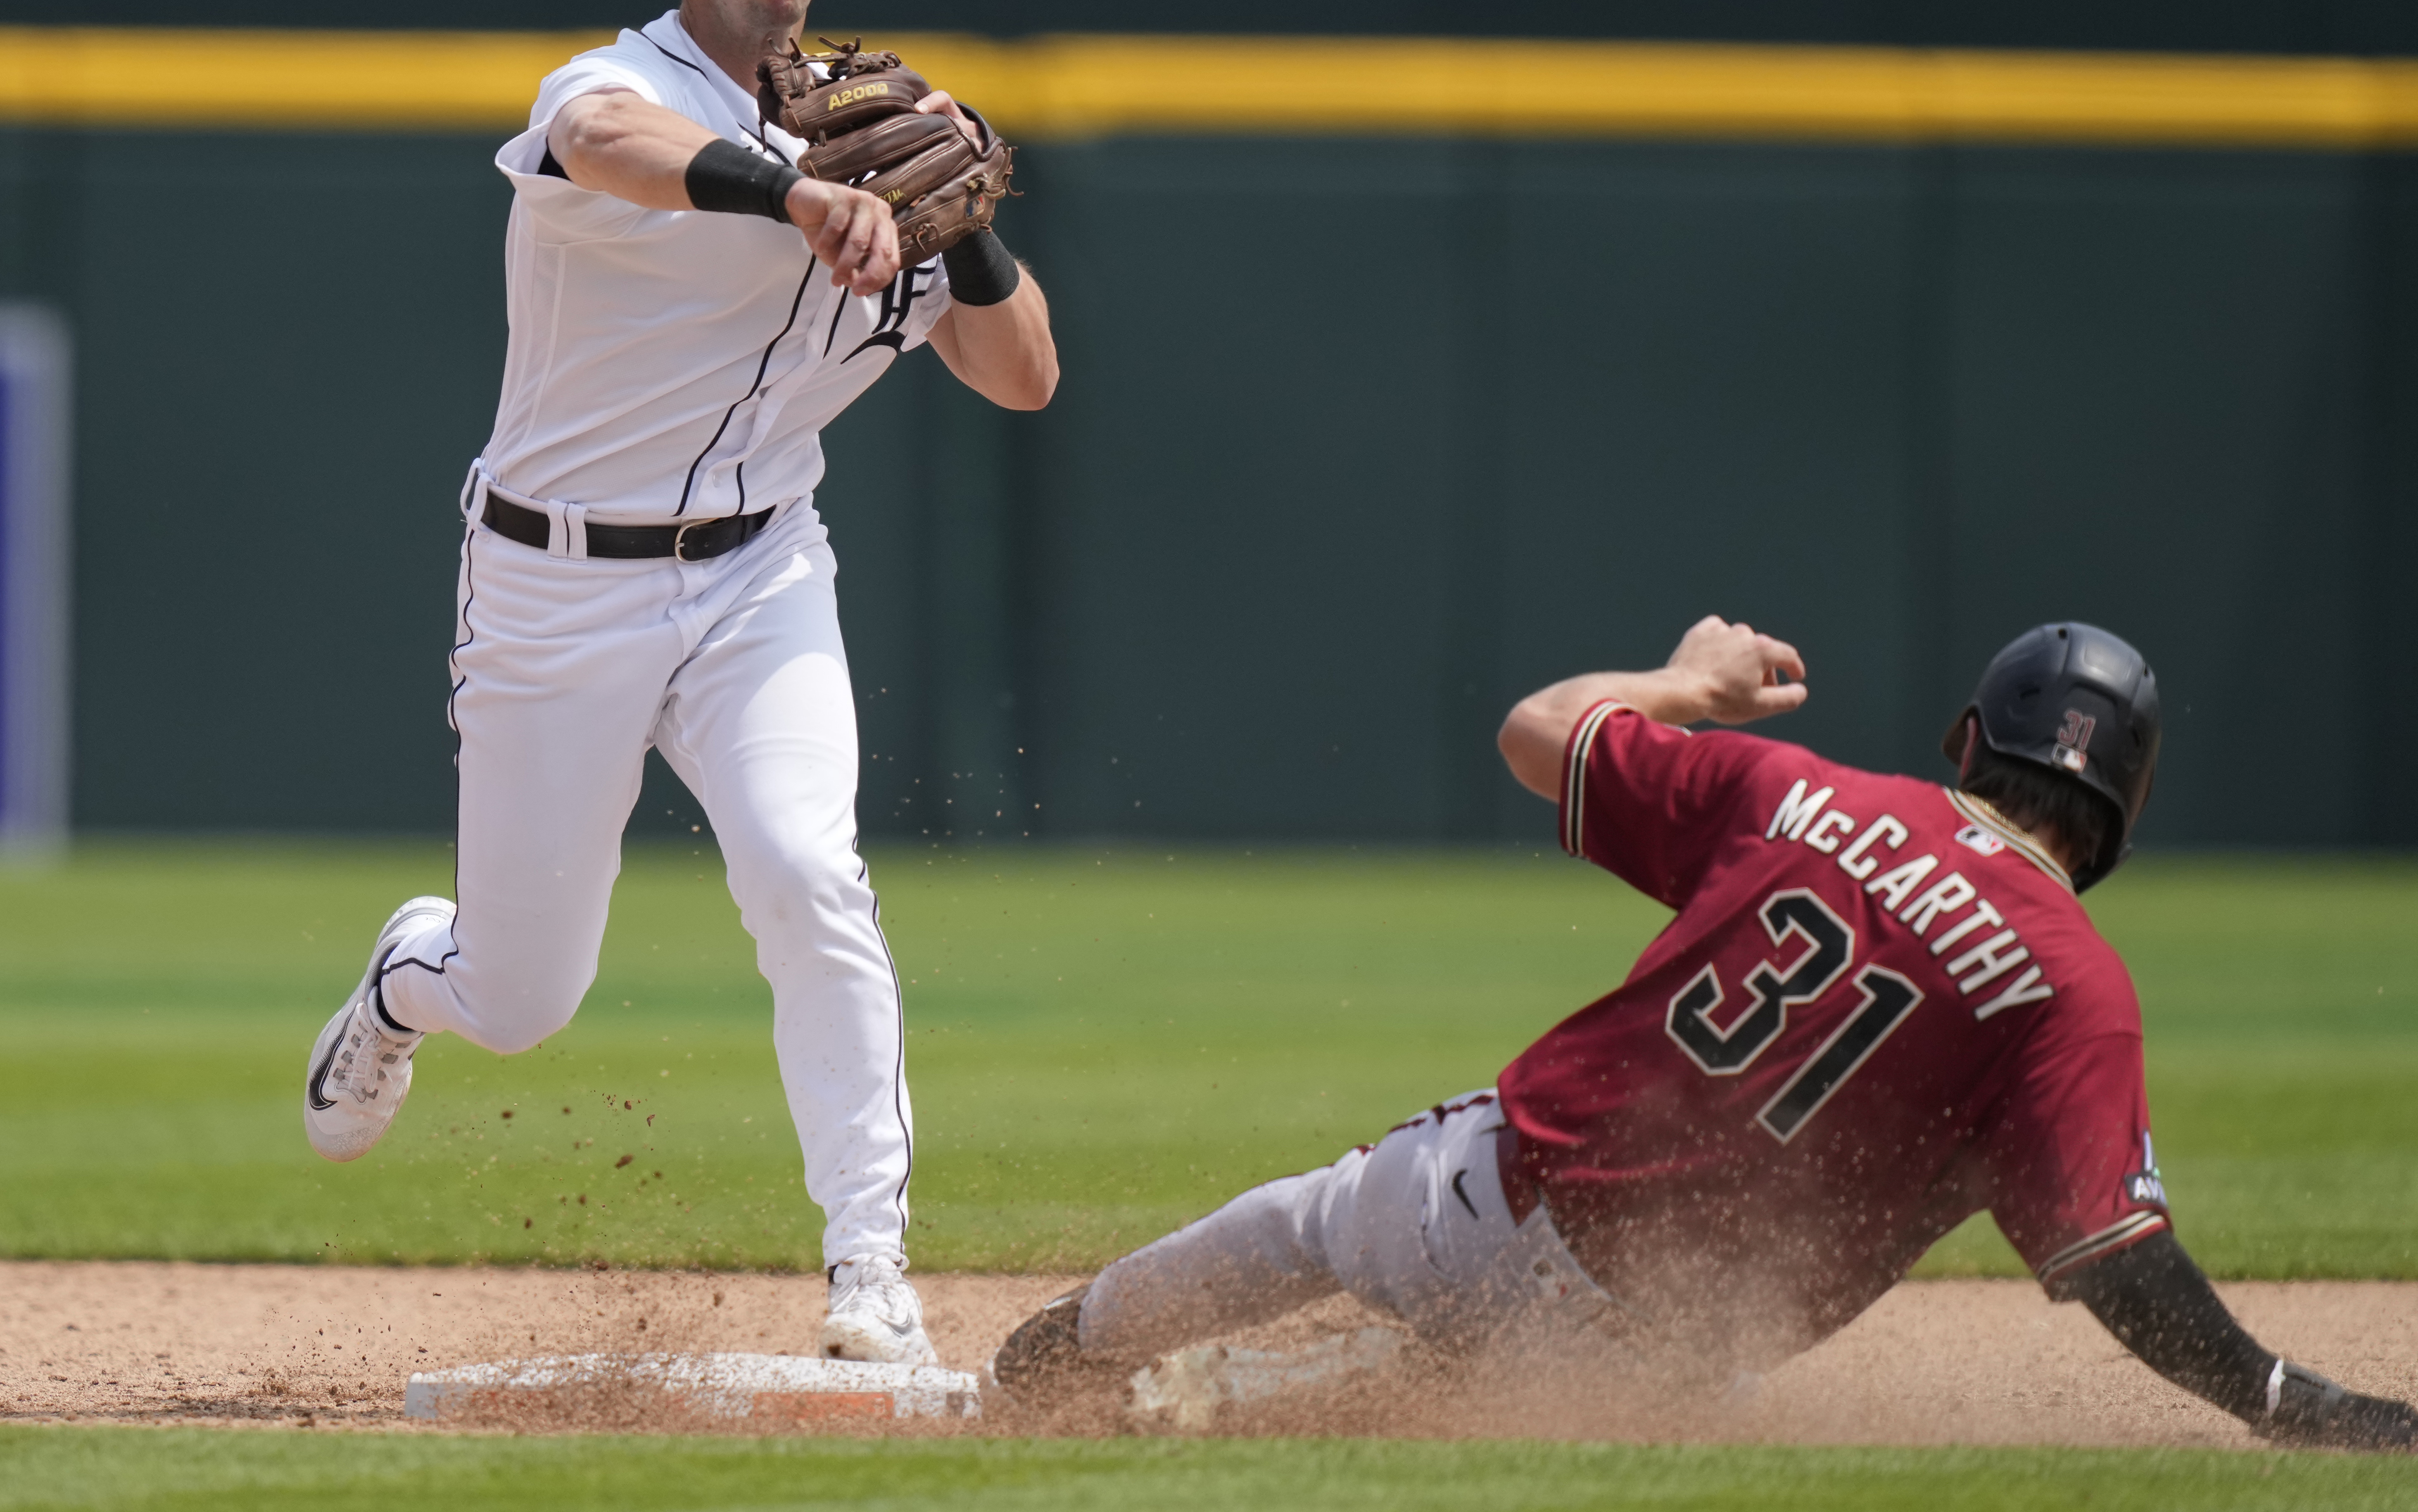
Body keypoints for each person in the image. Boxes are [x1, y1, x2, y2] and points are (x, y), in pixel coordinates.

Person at [302, 0, 1058, 1367]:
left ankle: (872, 1270)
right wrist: (793, 190)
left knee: (807, 869)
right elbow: (608, 146)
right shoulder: (617, 84)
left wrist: (966, 216)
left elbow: (1023, 375)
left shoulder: (881, 126)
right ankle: (400, 985)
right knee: (519, 995)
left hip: (759, 580)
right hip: (551, 585)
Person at [989, 617, 2417, 1448]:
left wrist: (1687, 682)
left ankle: (1062, 1349)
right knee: (1487, 1405)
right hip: (1652, 1353)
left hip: (1483, 1205)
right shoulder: (2071, 987)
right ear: (2123, 817)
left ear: (1972, 741)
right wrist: (2279, 1396)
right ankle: (1242, 1402)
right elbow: (2125, 1261)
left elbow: (1539, 728)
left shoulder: (1806, 791)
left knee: (1309, 1229)